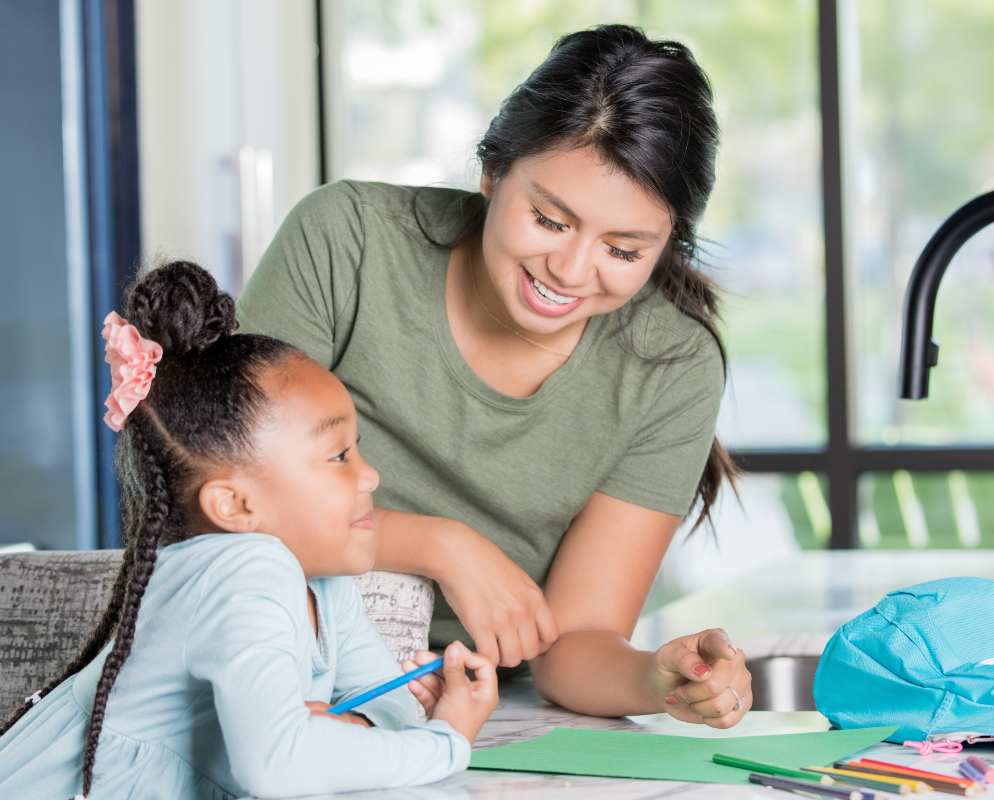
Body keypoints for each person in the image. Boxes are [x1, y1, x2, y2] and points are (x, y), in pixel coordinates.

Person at [236, 23, 752, 727]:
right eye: (548, 218)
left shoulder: (672, 365)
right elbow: (230, 492)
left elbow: (570, 648)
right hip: (275, 666)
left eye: (624, 250)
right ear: (491, 172)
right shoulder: (345, 242)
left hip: (464, 707)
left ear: (665, 247)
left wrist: (657, 680)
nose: (569, 273)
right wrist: (441, 546)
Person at [0, 262, 498, 799]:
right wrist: (446, 742)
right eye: (339, 455)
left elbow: (392, 709)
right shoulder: (246, 569)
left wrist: (331, 732)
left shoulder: (325, 587)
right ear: (234, 505)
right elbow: (278, 767)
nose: (370, 474)